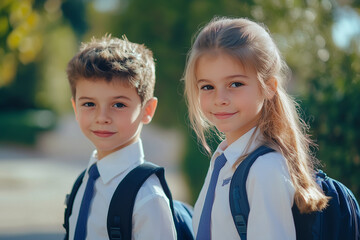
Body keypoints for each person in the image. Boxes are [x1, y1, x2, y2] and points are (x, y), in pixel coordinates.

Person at [183, 17, 329, 240]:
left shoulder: (265, 169)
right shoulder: (222, 160)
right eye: (207, 86)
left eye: (235, 84)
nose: (220, 99)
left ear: (269, 87)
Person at [65, 35, 176, 240]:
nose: (102, 118)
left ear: (147, 110)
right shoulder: (84, 182)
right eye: (89, 104)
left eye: (118, 105)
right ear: (75, 108)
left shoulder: (147, 197)